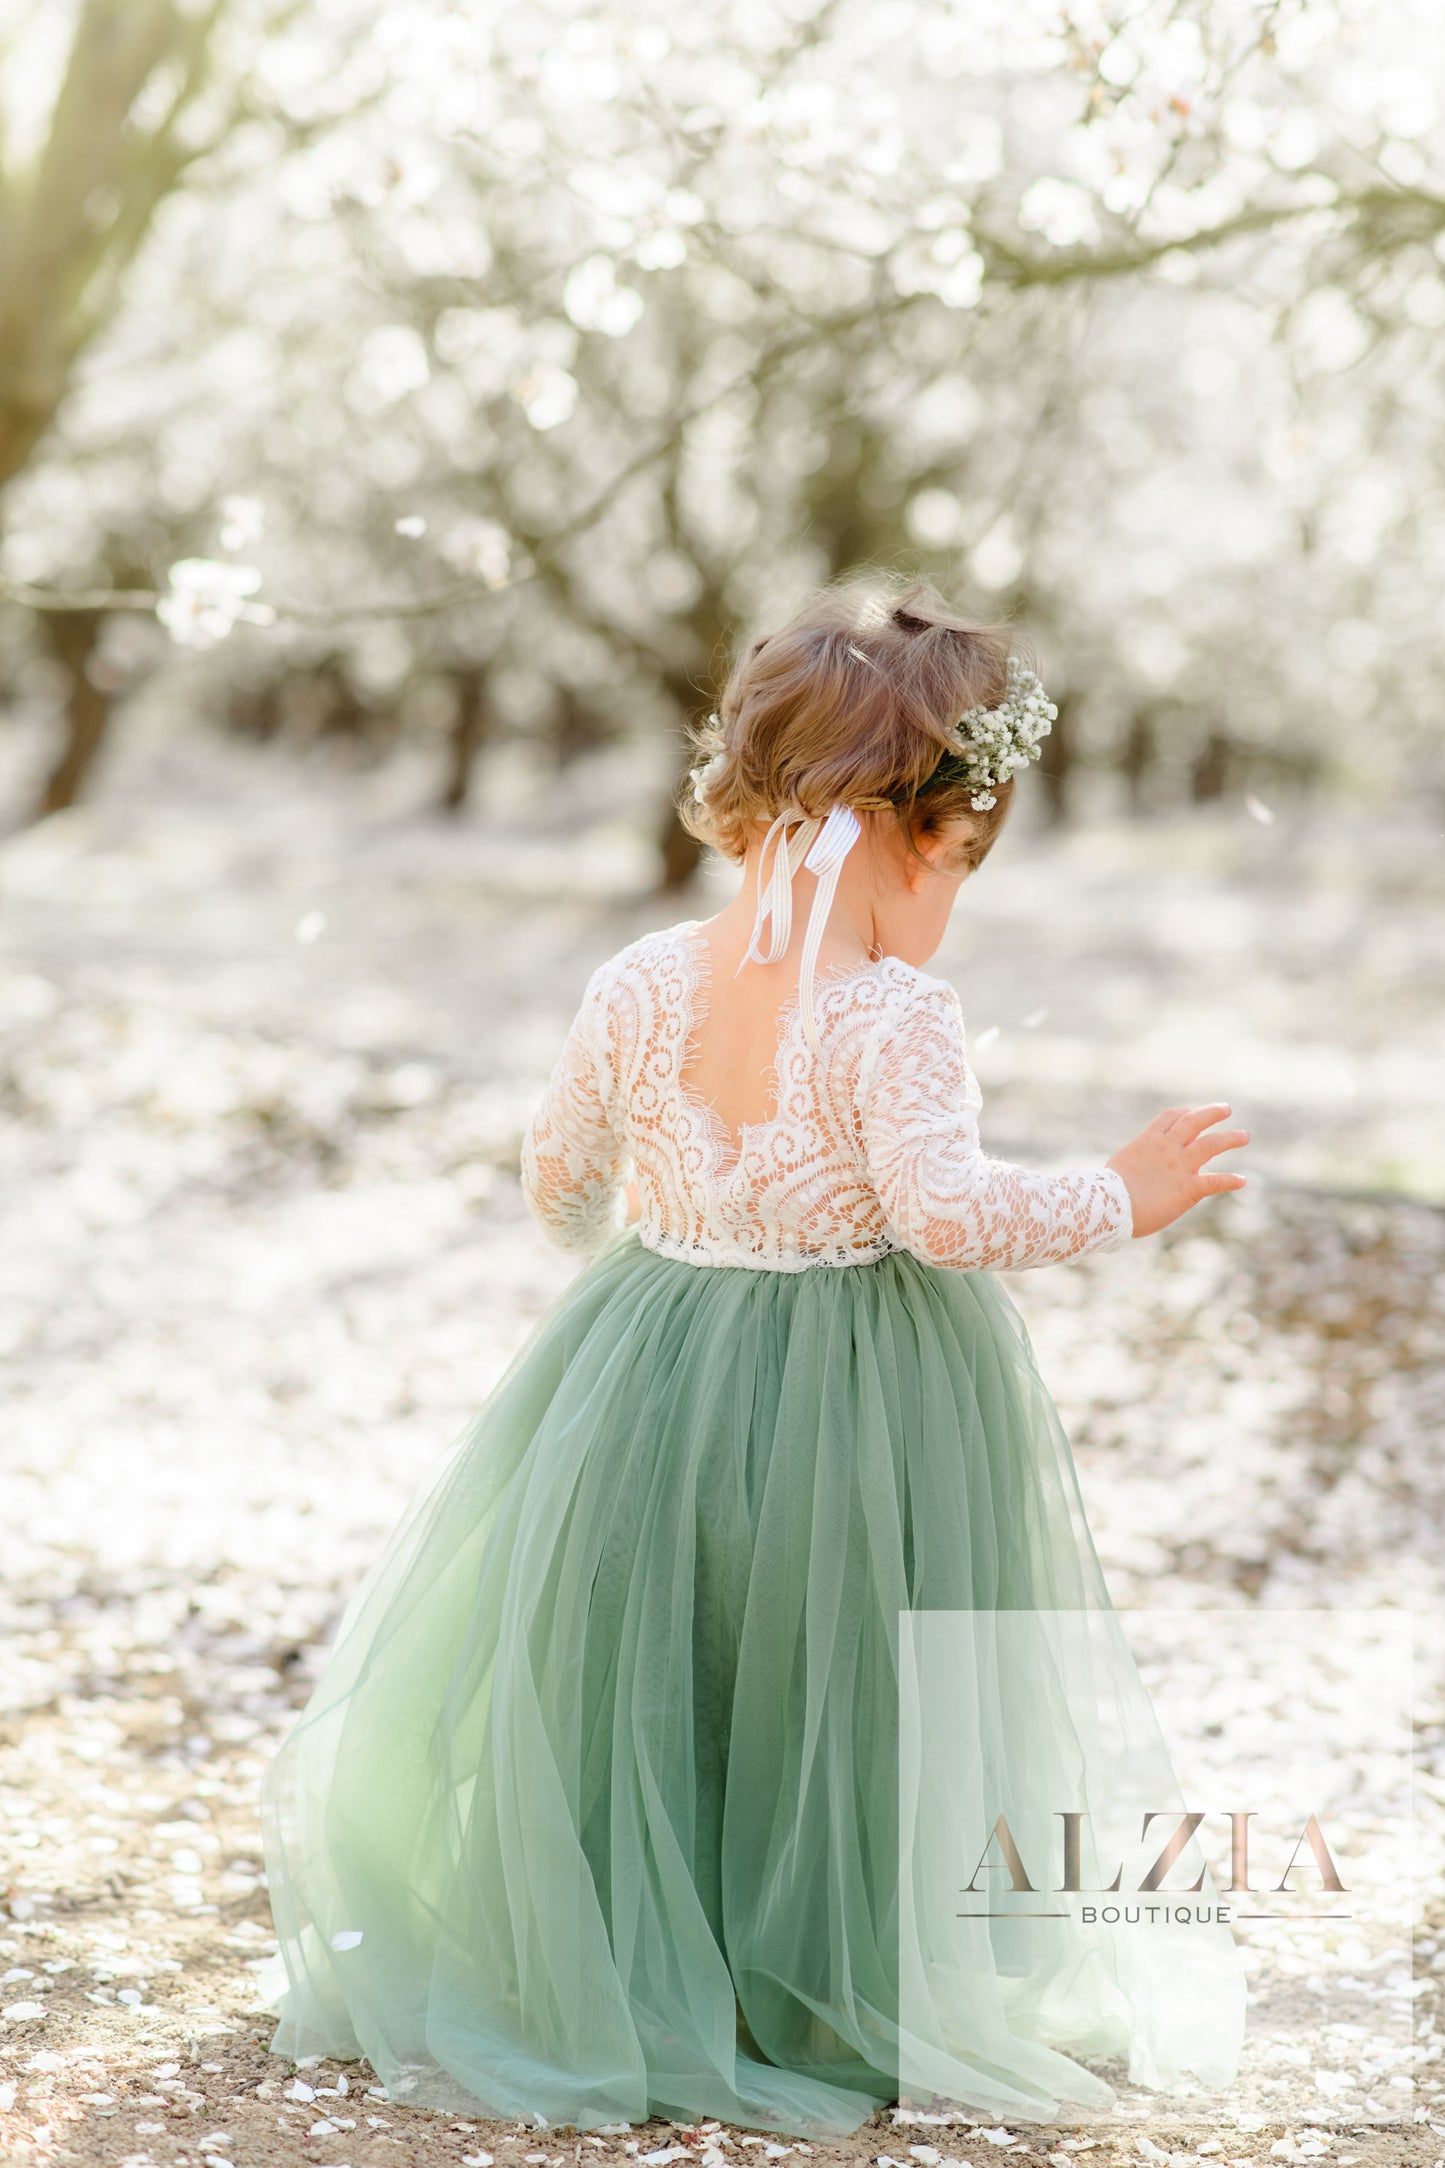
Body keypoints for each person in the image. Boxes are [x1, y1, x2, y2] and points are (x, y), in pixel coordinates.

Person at [259, 575, 1251, 2139]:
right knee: (841, 1678)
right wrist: (1120, 1195)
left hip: (644, 1362)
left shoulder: (640, 980)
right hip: (858, 1393)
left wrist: (668, 1258)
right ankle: (819, 1975)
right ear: (914, 827)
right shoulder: (891, 1015)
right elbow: (943, 1216)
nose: (956, 892)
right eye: (965, 854)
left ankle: (644, 1955)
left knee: (657, 1664)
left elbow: (554, 1180)